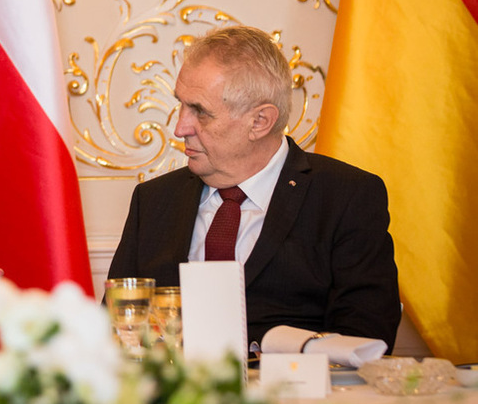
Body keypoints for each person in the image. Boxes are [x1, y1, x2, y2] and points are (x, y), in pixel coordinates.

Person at [107, 25, 401, 352]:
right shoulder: (153, 201)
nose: (179, 128)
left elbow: (365, 341)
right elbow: (115, 330)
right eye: (182, 105)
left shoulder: (346, 197)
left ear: (260, 122)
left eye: (200, 112)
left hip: (298, 400)